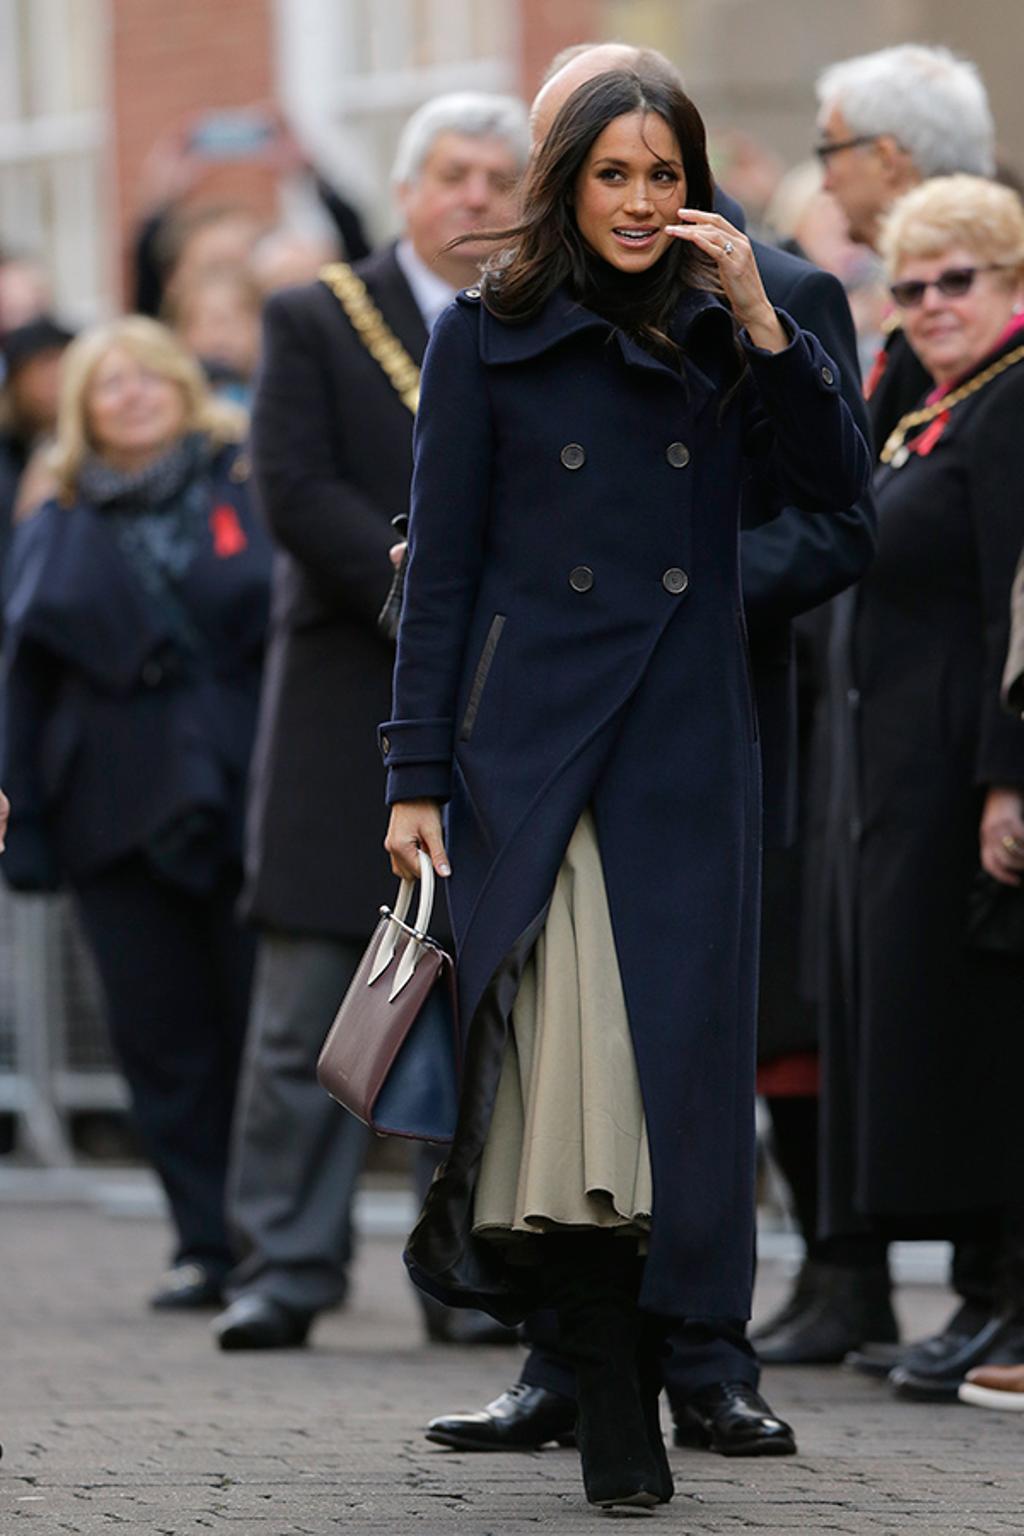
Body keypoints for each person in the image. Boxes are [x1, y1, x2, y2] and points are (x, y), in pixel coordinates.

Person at [382, 65, 869, 1510]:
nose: (644, 202)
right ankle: (591, 1381)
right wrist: (413, 774)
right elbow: (444, 570)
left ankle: (692, 1354)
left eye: (666, 174)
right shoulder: (485, 332)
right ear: (564, 181)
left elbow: (840, 497)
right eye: (614, 175)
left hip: (684, 740)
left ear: (697, 180)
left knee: (677, 1079)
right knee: (558, 1072)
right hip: (530, 743)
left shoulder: (745, 316)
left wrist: (772, 330)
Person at [211, 91, 530, 1352]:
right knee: (305, 1007)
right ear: (406, 191)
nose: (475, 198)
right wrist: (426, 593)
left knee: (469, 1009)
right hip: (346, 701)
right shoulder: (317, 316)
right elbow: (291, 486)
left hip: (493, 719)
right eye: (451, 174)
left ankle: (457, 1273)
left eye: (500, 177)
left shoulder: (535, 323)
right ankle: (283, 1266)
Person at [756, 42, 1002, 1370]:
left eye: (837, 144)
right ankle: (854, 1272)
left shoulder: (978, 316)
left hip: (951, 723)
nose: (829, 168)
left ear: (892, 159)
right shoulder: (919, 312)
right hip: (857, 715)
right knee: (831, 1001)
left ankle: (986, 1283)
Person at [0, 316, 272, 1308]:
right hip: (109, 814)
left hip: (247, 795)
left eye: (148, 377)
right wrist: (21, 817)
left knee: (261, 1034)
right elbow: (21, 678)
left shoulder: (246, 484)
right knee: (160, 1041)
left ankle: (277, 1244)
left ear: (181, 386)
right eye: (107, 384)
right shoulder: (53, 518)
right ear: (79, 409)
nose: (131, 395)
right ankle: (203, 1242)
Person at [817, 173, 1024, 1406]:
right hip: (894, 770)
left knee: (976, 1044)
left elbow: (1021, 599)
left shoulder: (1011, 407)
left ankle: (1002, 1295)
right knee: (922, 1038)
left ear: (1011, 284)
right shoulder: (935, 401)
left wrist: (1009, 780)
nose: (932, 303)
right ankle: (977, 1298)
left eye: (962, 280)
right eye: (909, 287)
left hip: (965, 765)